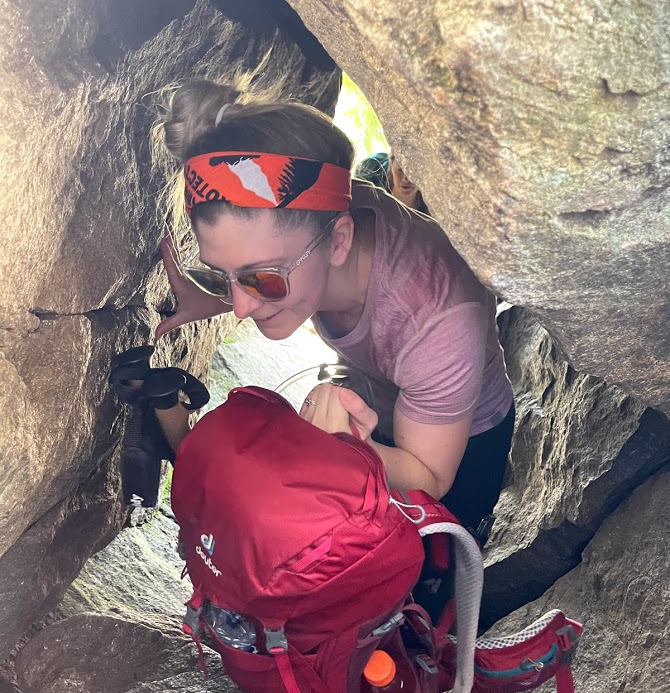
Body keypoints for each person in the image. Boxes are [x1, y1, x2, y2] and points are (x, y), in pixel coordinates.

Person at [152, 78, 514, 612]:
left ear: (339, 241)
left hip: (463, 440)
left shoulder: (438, 319)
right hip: (377, 392)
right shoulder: (318, 221)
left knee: (424, 589)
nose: (245, 306)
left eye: (261, 279)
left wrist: (351, 449)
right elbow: (279, 266)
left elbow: (430, 477)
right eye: (222, 273)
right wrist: (215, 297)